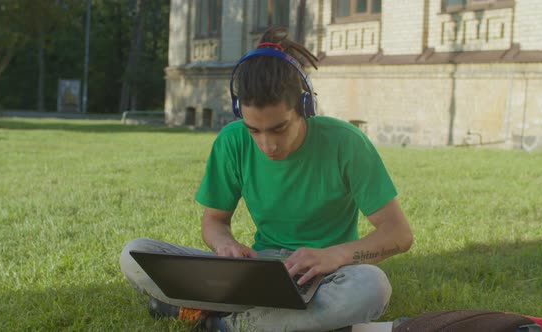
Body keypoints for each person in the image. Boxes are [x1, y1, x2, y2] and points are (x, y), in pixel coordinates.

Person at [120, 26, 413, 332]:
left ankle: (219, 322)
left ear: (304, 106)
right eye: (253, 130)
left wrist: (334, 255)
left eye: (279, 128)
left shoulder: (347, 143)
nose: (267, 145)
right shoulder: (231, 142)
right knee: (134, 254)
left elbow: (398, 234)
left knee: (372, 286)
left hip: (327, 276)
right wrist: (225, 245)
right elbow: (214, 222)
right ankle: (285, 321)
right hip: (257, 272)